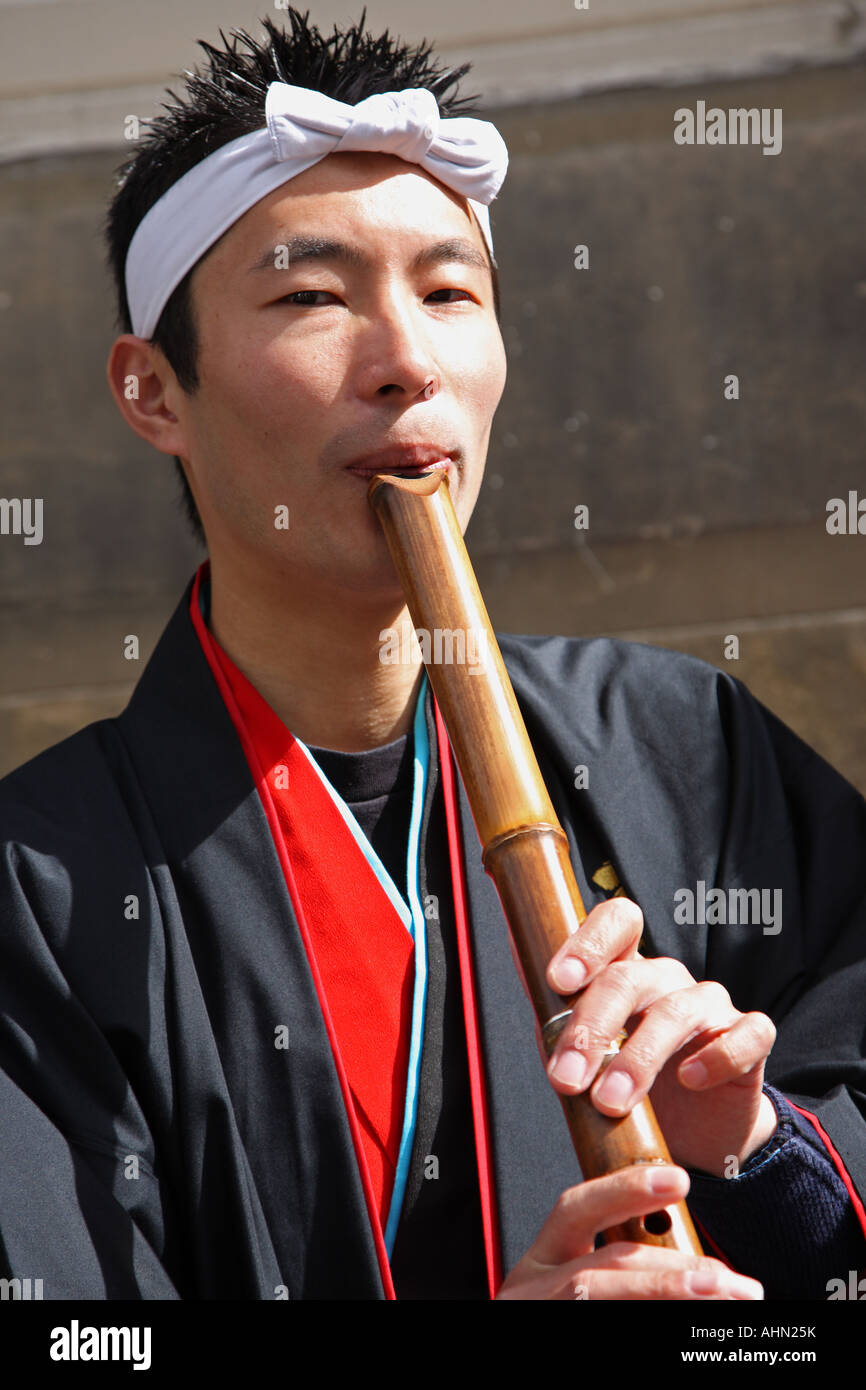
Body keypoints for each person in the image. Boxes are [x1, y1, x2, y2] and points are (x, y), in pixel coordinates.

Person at [0, 9, 864, 1302]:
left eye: (450, 291)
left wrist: (751, 1152)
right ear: (153, 392)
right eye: (310, 296)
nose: (408, 361)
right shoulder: (39, 887)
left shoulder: (688, 746)